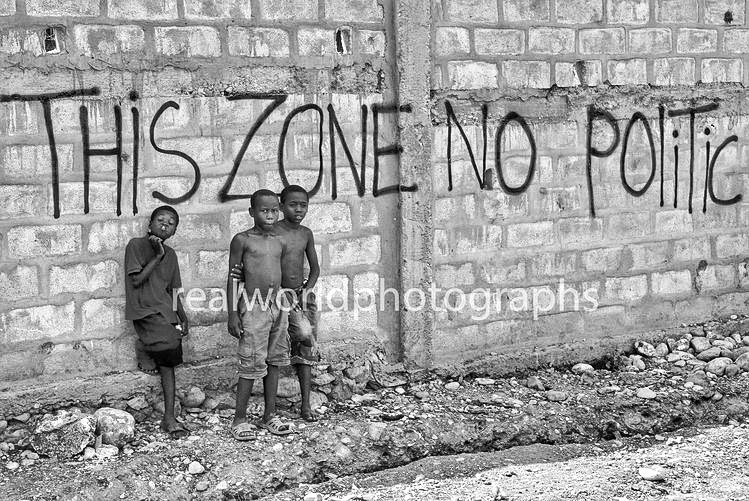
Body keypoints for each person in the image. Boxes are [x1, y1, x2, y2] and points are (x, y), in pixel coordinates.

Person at [232, 185, 320, 421]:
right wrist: (234, 306)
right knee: (255, 357)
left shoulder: (293, 236)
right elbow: (246, 269)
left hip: (287, 299)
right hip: (261, 302)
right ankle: (244, 417)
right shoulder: (254, 236)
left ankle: (286, 409)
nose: (270, 215)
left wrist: (304, 291)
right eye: (265, 211)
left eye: (272, 211)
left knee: (289, 350)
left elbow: (303, 268)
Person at [124, 205, 189, 439]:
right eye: (160, 220)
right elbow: (137, 281)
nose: (165, 224)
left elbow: (172, 290)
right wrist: (157, 255)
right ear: (149, 224)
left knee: (170, 357)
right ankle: (145, 345)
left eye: (171, 223)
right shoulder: (136, 246)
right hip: (144, 311)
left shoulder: (171, 255)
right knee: (170, 347)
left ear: (174, 232)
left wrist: (182, 315)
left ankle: (169, 417)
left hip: (165, 312)